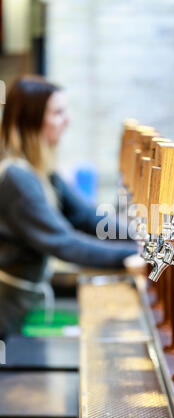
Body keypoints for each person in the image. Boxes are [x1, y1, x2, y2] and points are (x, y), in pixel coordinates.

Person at [0, 75, 137, 338]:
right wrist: (133, 255)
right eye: (58, 112)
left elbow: (85, 217)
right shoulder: (15, 177)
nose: (67, 120)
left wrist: (143, 240)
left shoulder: (40, 171)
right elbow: (63, 243)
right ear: (32, 119)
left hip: (18, 303)